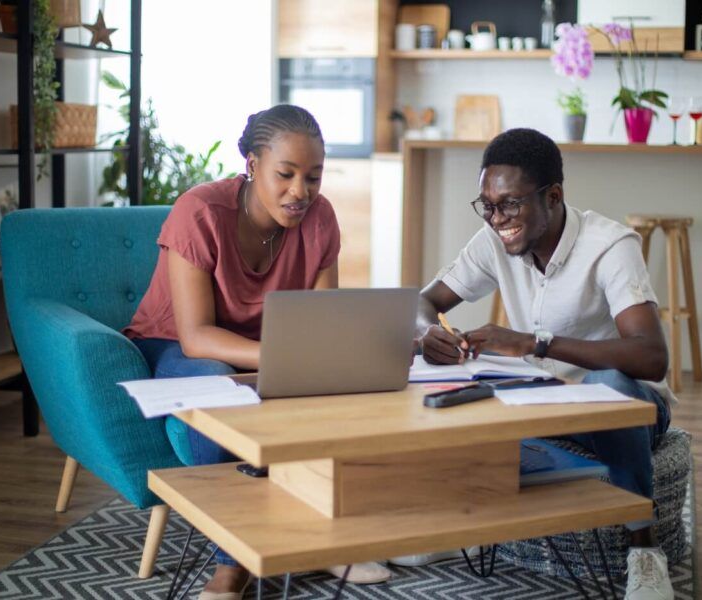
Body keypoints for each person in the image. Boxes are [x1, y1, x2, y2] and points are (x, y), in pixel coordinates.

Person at [124, 105, 391, 600]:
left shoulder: (320, 217)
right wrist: (283, 359)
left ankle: (321, 534)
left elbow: (322, 320)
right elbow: (197, 337)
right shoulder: (200, 211)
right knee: (213, 379)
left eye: (313, 177)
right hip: (178, 344)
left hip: (268, 346)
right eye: (285, 175)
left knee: (336, 389)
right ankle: (233, 565)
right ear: (251, 164)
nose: (301, 192)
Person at [414, 128, 674, 600]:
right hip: (543, 400)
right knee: (452, 385)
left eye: (510, 204)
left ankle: (644, 550)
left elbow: (651, 357)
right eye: (488, 206)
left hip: (627, 408)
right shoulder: (493, 238)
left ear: (553, 197)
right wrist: (432, 333)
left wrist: (536, 343)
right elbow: (425, 301)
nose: (497, 220)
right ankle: (452, 525)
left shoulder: (611, 246)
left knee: (607, 381)